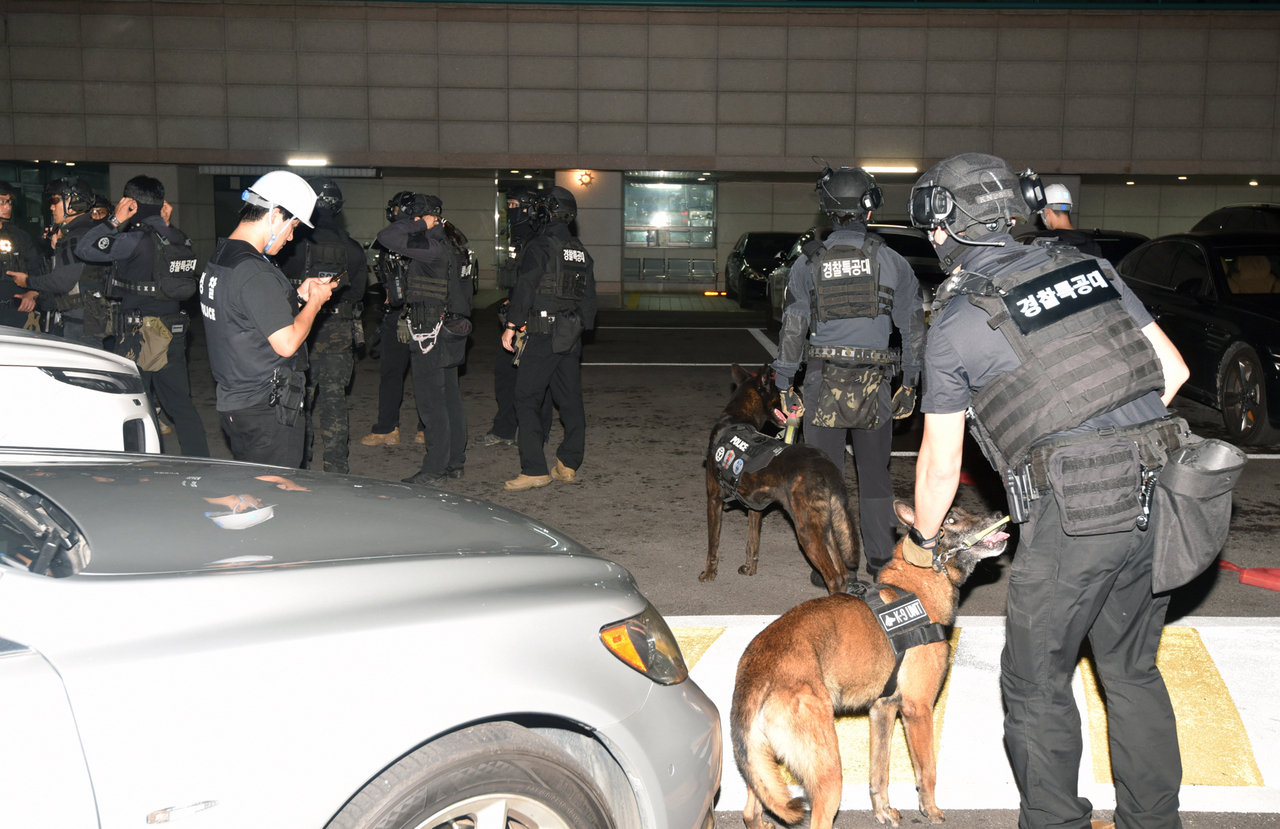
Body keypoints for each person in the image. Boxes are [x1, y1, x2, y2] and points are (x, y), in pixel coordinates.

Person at [907, 153, 1190, 829]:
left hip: (1074, 517)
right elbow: (1171, 372)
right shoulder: (1091, 269)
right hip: (1161, 498)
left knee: (1035, 685)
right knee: (1131, 671)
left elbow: (941, 465)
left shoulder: (953, 319)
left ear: (950, 225)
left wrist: (922, 544)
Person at [771, 165, 925, 577]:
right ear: (868, 210)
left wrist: (784, 381)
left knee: (827, 474)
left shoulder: (808, 265)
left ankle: (834, 562)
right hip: (876, 381)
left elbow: (793, 326)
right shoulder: (892, 262)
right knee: (875, 473)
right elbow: (913, 327)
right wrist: (911, 380)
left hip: (822, 377)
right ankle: (878, 558)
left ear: (827, 210)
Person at [199, 171, 332, 467]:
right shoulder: (255, 272)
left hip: (237, 402)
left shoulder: (221, 259)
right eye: (293, 225)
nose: (291, 236)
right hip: (265, 408)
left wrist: (297, 295)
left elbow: (245, 314)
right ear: (275, 215)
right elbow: (287, 343)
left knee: (252, 497)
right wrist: (315, 302)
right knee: (275, 500)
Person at [74, 175, 209, 457]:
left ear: (130, 203)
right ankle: (200, 465)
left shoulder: (133, 240)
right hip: (172, 331)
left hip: (138, 335)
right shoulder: (178, 237)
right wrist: (163, 223)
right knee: (180, 405)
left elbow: (84, 249)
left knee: (135, 404)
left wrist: (113, 220)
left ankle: (141, 466)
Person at [501, 186, 596, 491]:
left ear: (546, 211)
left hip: (542, 333)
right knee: (569, 398)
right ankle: (568, 464)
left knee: (526, 397)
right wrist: (579, 326)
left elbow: (526, 286)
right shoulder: (579, 248)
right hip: (570, 332)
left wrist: (512, 325)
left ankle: (534, 469)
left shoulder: (541, 244)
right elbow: (589, 298)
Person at [376, 193, 472, 486]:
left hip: (431, 330)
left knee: (432, 402)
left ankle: (434, 469)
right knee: (450, 398)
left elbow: (386, 236)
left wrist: (418, 226)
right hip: (453, 329)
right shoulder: (456, 245)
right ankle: (455, 462)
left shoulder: (429, 245)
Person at [275, 176, 369, 474]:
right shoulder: (352, 247)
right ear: (338, 208)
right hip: (340, 331)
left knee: (300, 401)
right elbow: (358, 293)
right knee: (334, 400)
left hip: (302, 332)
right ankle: (337, 466)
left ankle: (300, 464)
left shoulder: (291, 243)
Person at [476, 185, 553, 448]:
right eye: (507, 205)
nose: (510, 211)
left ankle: (537, 436)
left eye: (514, 205)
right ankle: (505, 429)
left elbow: (540, 282)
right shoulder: (520, 238)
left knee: (536, 382)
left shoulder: (540, 238)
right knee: (505, 374)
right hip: (517, 315)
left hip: (535, 319)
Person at [360, 192, 424, 447]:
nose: (393, 213)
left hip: (422, 316)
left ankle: (427, 428)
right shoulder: (390, 241)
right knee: (390, 373)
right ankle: (387, 427)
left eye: (396, 209)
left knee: (423, 374)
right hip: (395, 314)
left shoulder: (424, 241)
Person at [15, 176, 109, 347]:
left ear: (74, 203)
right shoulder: (88, 231)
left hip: (80, 322)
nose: (51, 207)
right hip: (88, 318)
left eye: (55, 200)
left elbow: (61, 281)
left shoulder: (77, 236)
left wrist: (26, 281)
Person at [0, 180, 46, 331]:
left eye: (9, 202)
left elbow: (40, 270)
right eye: (1, 201)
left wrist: (33, 293)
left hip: (16, 314)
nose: (7, 207)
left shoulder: (21, 237)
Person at [1029, 183, 1102, 258]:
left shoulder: (1043, 241)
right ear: (1069, 209)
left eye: (1041, 213)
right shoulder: (1090, 242)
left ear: (1047, 211)